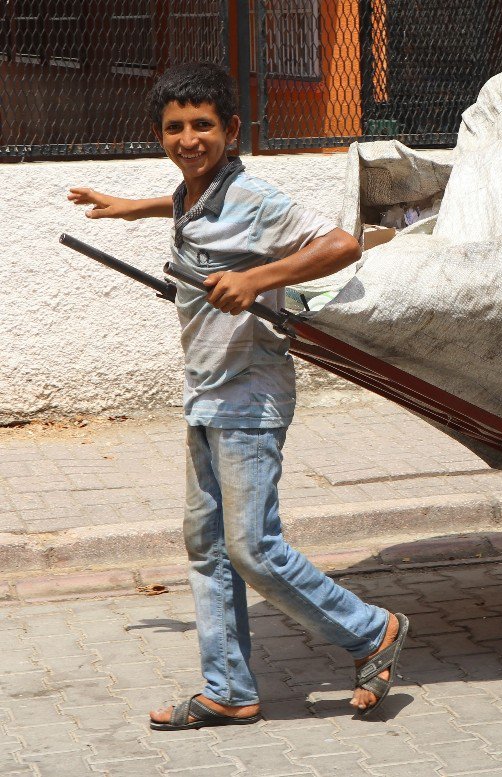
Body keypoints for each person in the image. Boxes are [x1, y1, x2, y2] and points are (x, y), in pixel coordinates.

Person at [69, 62, 408, 730]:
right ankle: (229, 688)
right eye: (174, 127)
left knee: (252, 546)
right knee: (208, 545)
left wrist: (261, 280)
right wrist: (124, 205)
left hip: (251, 396)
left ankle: (373, 630)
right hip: (205, 393)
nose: (188, 138)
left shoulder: (254, 197)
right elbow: (178, 206)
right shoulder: (193, 193)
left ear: (231, 130)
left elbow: (342, 242)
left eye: (202, 125)